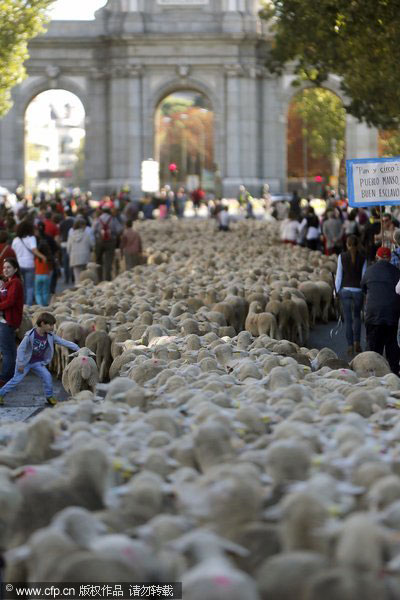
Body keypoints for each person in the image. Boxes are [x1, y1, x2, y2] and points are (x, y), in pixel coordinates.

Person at [0, 312, 79, 406]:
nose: (52, 327)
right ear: (42, 324)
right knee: (16, 380)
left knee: (47, 376)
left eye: (53, 325)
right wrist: (20, 363)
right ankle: (1, 393)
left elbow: (62, 342)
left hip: (37, 362)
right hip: (25, 363)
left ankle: (49, 397)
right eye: (50, 325)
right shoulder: (30, 335)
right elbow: (21, 349)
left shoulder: (50, 335)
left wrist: (77, 348)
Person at [361, 246, 400, 375]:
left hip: (373, 314)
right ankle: (393, 374)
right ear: (389, 258)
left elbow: (363, 288)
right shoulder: (396, 272)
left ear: (377, 257)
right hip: (391, 314)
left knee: (373, 347)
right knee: (391, 344)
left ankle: (371, 374)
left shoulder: (369, 271)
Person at [335, 235, 367, 358]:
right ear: (357, 244)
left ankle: (349, 345)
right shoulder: (363, 258)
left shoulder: (341, 256)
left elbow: (339, 276)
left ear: (347, 245)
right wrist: (364, 292)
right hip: (358, 290)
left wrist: (336, 291)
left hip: (345, 290)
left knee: (348, 319)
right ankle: (357, 342)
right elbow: (364, 277)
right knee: (357, 317)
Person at [0, 258, 24, 386]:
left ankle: (4, 378)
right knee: (9, 349)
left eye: (8, 267)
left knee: (7, 351)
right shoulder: (8, 282)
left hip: (8, 320)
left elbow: (11, 301)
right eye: (4, 267)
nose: (5, 270)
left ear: (15, 269)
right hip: (5, 319)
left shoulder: (15, 283)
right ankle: (10, 376)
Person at [11, 220, 46, 305]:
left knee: (21, 287)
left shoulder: (16, 240)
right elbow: (34, 250)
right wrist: (42, 256)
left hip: (18, 265)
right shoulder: (31, 238)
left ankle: (22, 305)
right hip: (30, 265)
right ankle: (29, 306)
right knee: (29, 287)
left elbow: (13, 252)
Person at [93, 204, 122, 281]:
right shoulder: (113, 219)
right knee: (108, 261)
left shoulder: (98, 219)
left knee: (98, 261)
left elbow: (93, 230)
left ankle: (99, 279)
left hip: (99, 241)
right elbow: (119, 230)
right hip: (110, 242)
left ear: (102, 211)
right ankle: (107, 279)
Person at [67, 218, 93, 283]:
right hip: (85, 257)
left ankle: (78, 291)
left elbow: (68, 248)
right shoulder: (86, 234)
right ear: (82, 226)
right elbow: (92, 245)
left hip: (75, 258)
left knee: (77, 278)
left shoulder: (71, 235)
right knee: (86, 278)